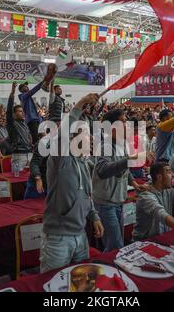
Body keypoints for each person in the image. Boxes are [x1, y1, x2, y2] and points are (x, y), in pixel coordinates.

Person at [41, 93, 104, 273]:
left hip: (81, 235)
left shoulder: (84, 163)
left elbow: (85, 194)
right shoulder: (60, 159)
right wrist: (81, 101)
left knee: (80, 284)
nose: (91, 139)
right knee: (53, 286)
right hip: (57, 239)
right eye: (86, 135)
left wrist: (94, 216)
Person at [92, 109, 148, 252]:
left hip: (117, 201)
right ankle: (108, 271)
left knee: (114, 243)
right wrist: (130, 159)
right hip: (105, 204)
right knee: (115, 245)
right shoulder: (105, 147)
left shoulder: (122, 145)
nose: (126, 125)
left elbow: (125, 169)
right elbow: (102, 170)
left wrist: (134, 183)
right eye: (123, 121)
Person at [7, 82, 33, 169]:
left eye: (23, 111)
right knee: (17, 180)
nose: (23, 113)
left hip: (29, 154)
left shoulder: (24, 124)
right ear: (14, 114)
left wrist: (30, 143)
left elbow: (28, 136)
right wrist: (13, 92)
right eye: (20, 111)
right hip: (18, 156)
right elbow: (9, 109)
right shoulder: (12, 123)